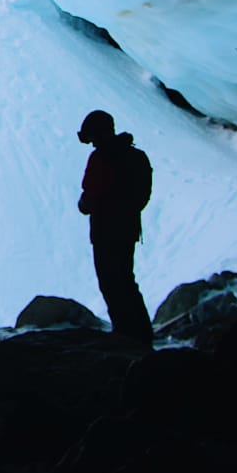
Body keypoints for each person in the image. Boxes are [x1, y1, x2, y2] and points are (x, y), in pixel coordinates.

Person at [76, 109, 154, 343]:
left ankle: (125, 333)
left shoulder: (101, 159)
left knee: (111, 283)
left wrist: (90, 203)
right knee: (126, 281)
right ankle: (141, 332)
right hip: (127, 229)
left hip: (104, 231)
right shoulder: (136, 156)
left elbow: (87, 200)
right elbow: (142, 196)